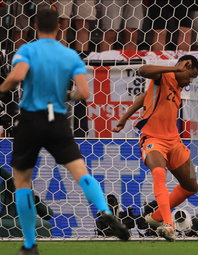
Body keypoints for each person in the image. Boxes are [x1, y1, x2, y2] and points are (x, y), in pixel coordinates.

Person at [0, 8, 129, 254]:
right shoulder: (69, 55)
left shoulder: (28, 50)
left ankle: (29, 245)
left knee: (22, 182)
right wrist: (66, 94)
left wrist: (3, 90)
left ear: (35, 26)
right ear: (59, 27)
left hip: (30, 119)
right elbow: (84, 93)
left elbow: (16, 76)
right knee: (80, 171)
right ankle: (105, 211)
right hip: (57, 120)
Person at [113, 55, 198, 241]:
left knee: (191, 186)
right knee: (159, 172)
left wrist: (124, 117)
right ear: (186, 66)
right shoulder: (164, 76)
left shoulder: (177, 88)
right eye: (190, 76)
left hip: (174, 142)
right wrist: (177, 69)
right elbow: (143, 70)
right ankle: (168, 225)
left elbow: (144, 97)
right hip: (153, 139)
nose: (189, 82)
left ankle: (155, 218)